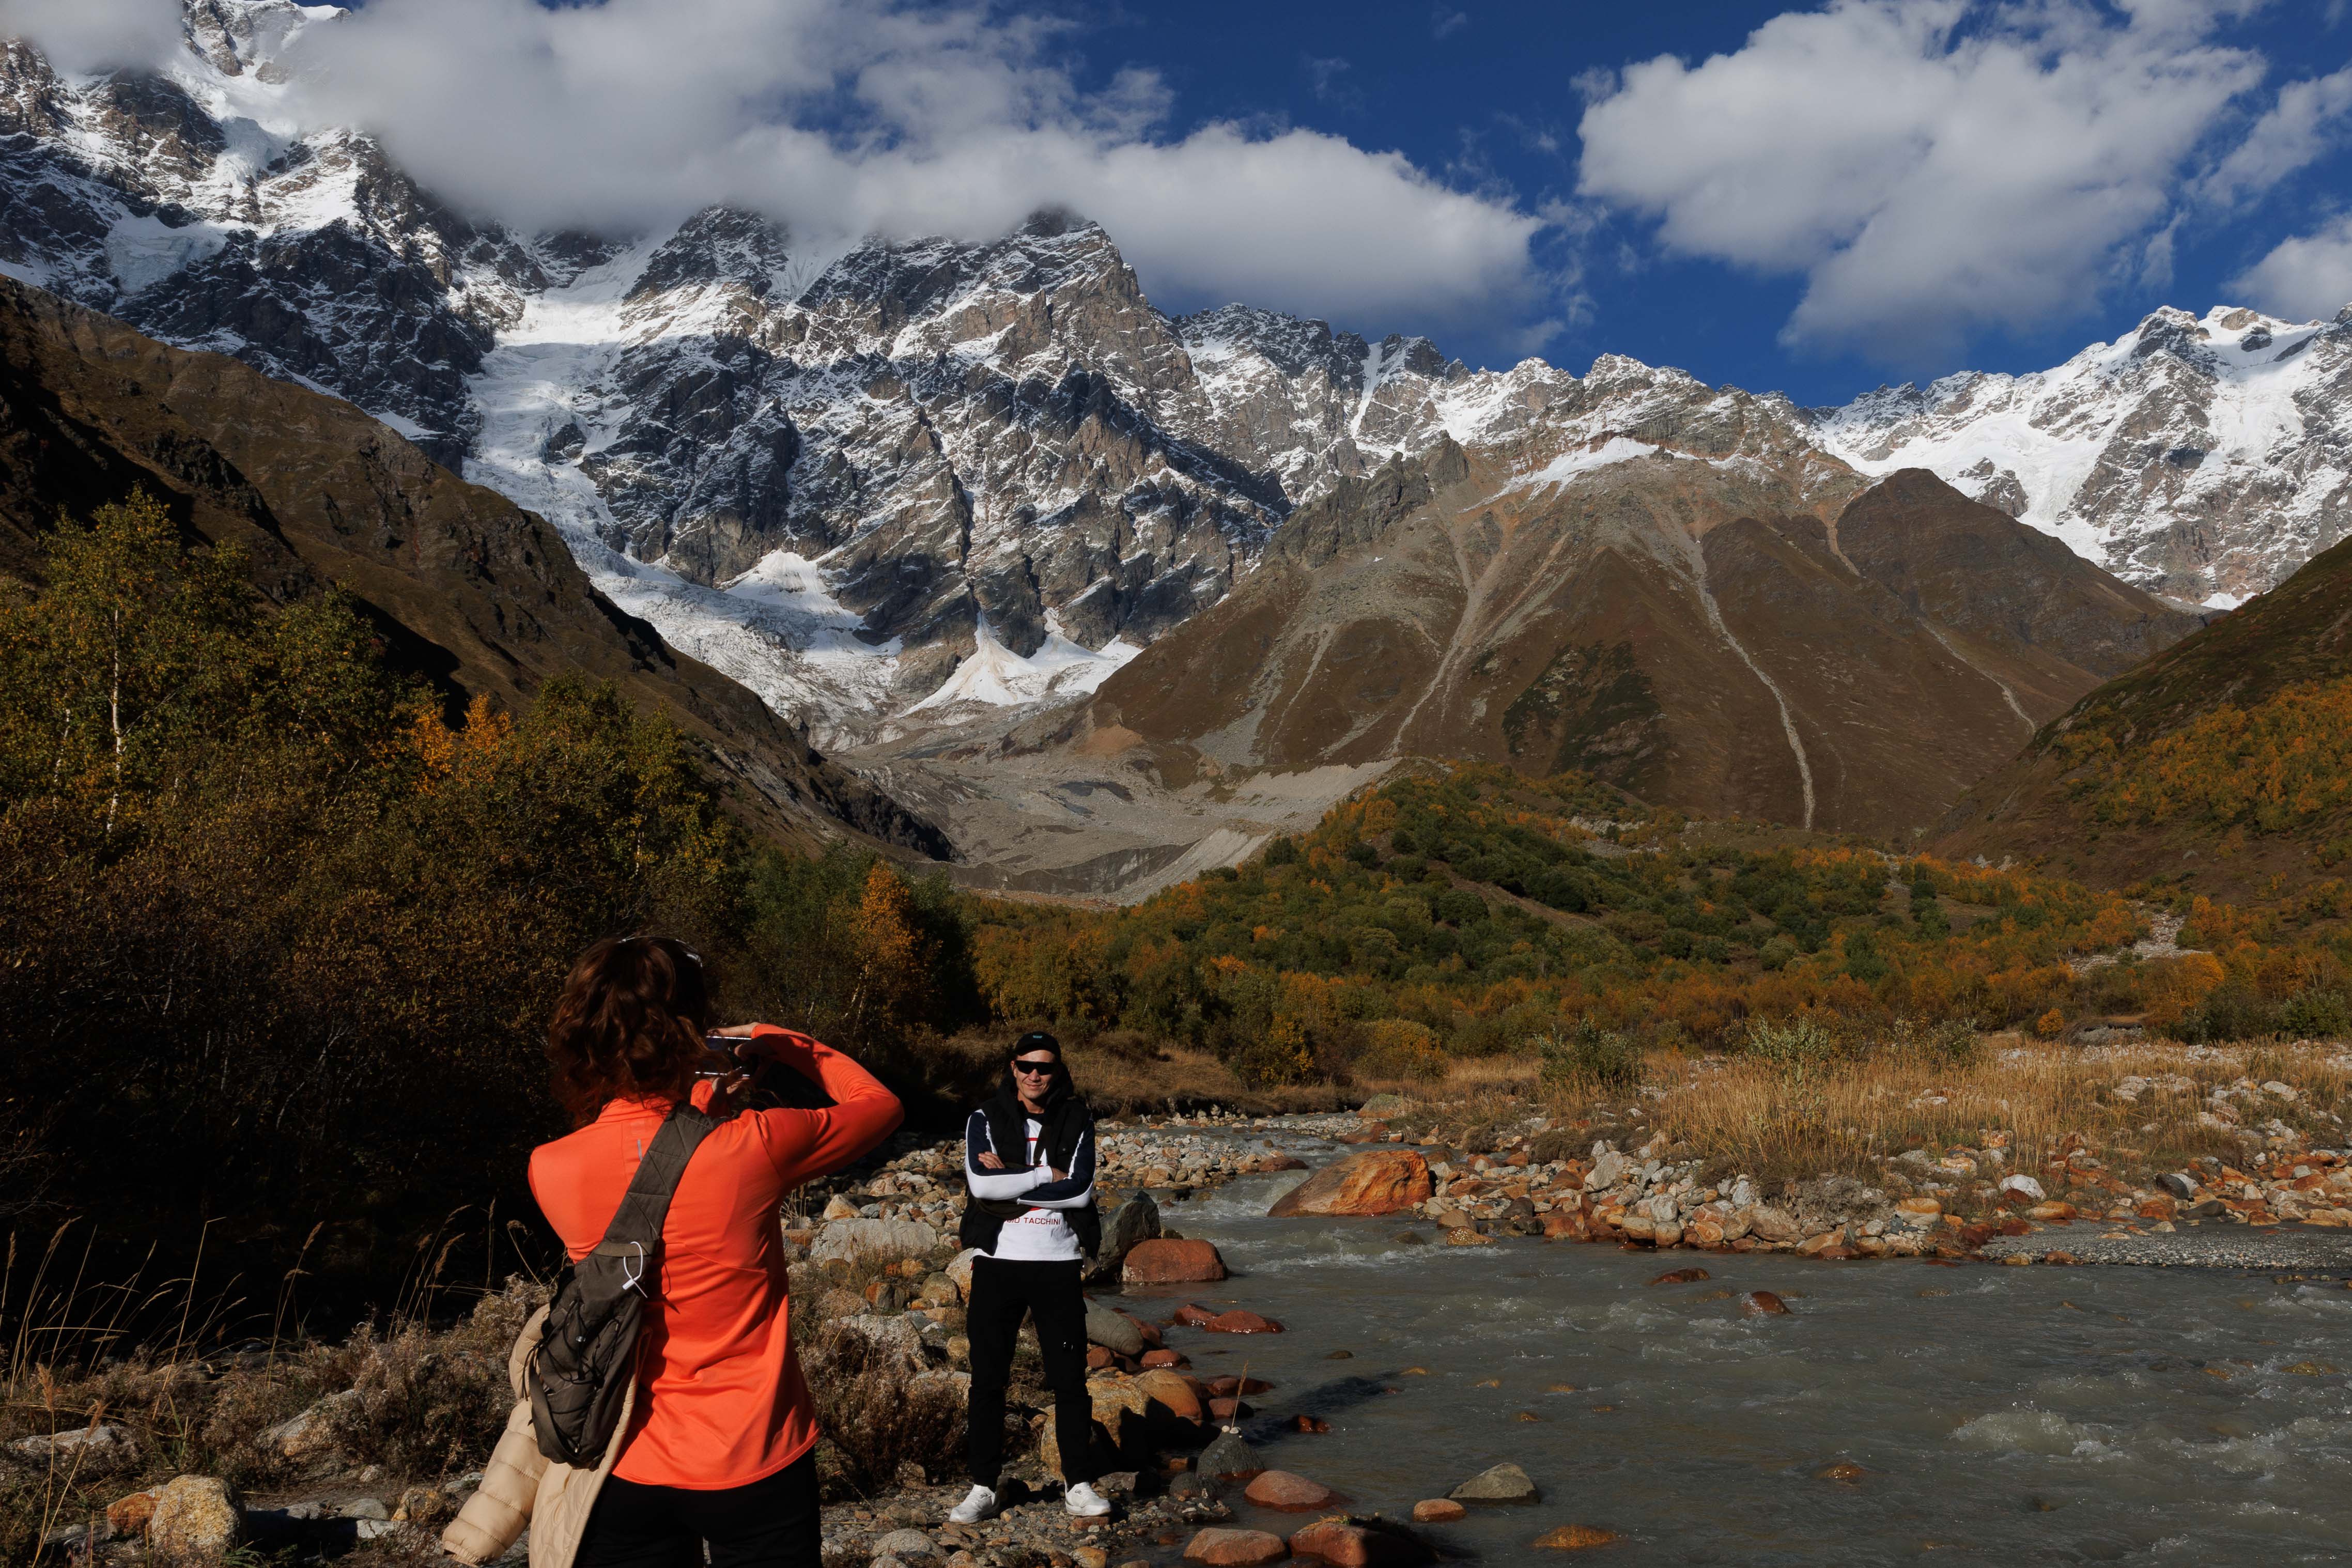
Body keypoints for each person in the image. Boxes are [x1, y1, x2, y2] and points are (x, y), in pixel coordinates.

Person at [512, 935, 901, 1568]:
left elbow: (646, 1180)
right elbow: (879, 1106)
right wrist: (780, 1041)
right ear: (691, 1030)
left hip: (622, 1458)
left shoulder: (549, 1167)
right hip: (754, 1457)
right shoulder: (755, 1144)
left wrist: (694, 1109)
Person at [949, 1031, 1109, 1524]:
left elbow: (1080, 1191)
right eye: (1025, 1065)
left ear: (1058, 1070)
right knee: (987, 1379)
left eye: (1044, 1067)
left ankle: (1078, 1483)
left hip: (1058, 1262)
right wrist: (1042, 1175)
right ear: (1012, 1066)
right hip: (999, 1261)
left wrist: (1012, 1181)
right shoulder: (985, 1117)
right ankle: (982, 1485)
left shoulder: (1078, 1117)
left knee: (1069, 1382)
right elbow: (982, 1187)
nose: (1034, 1075)